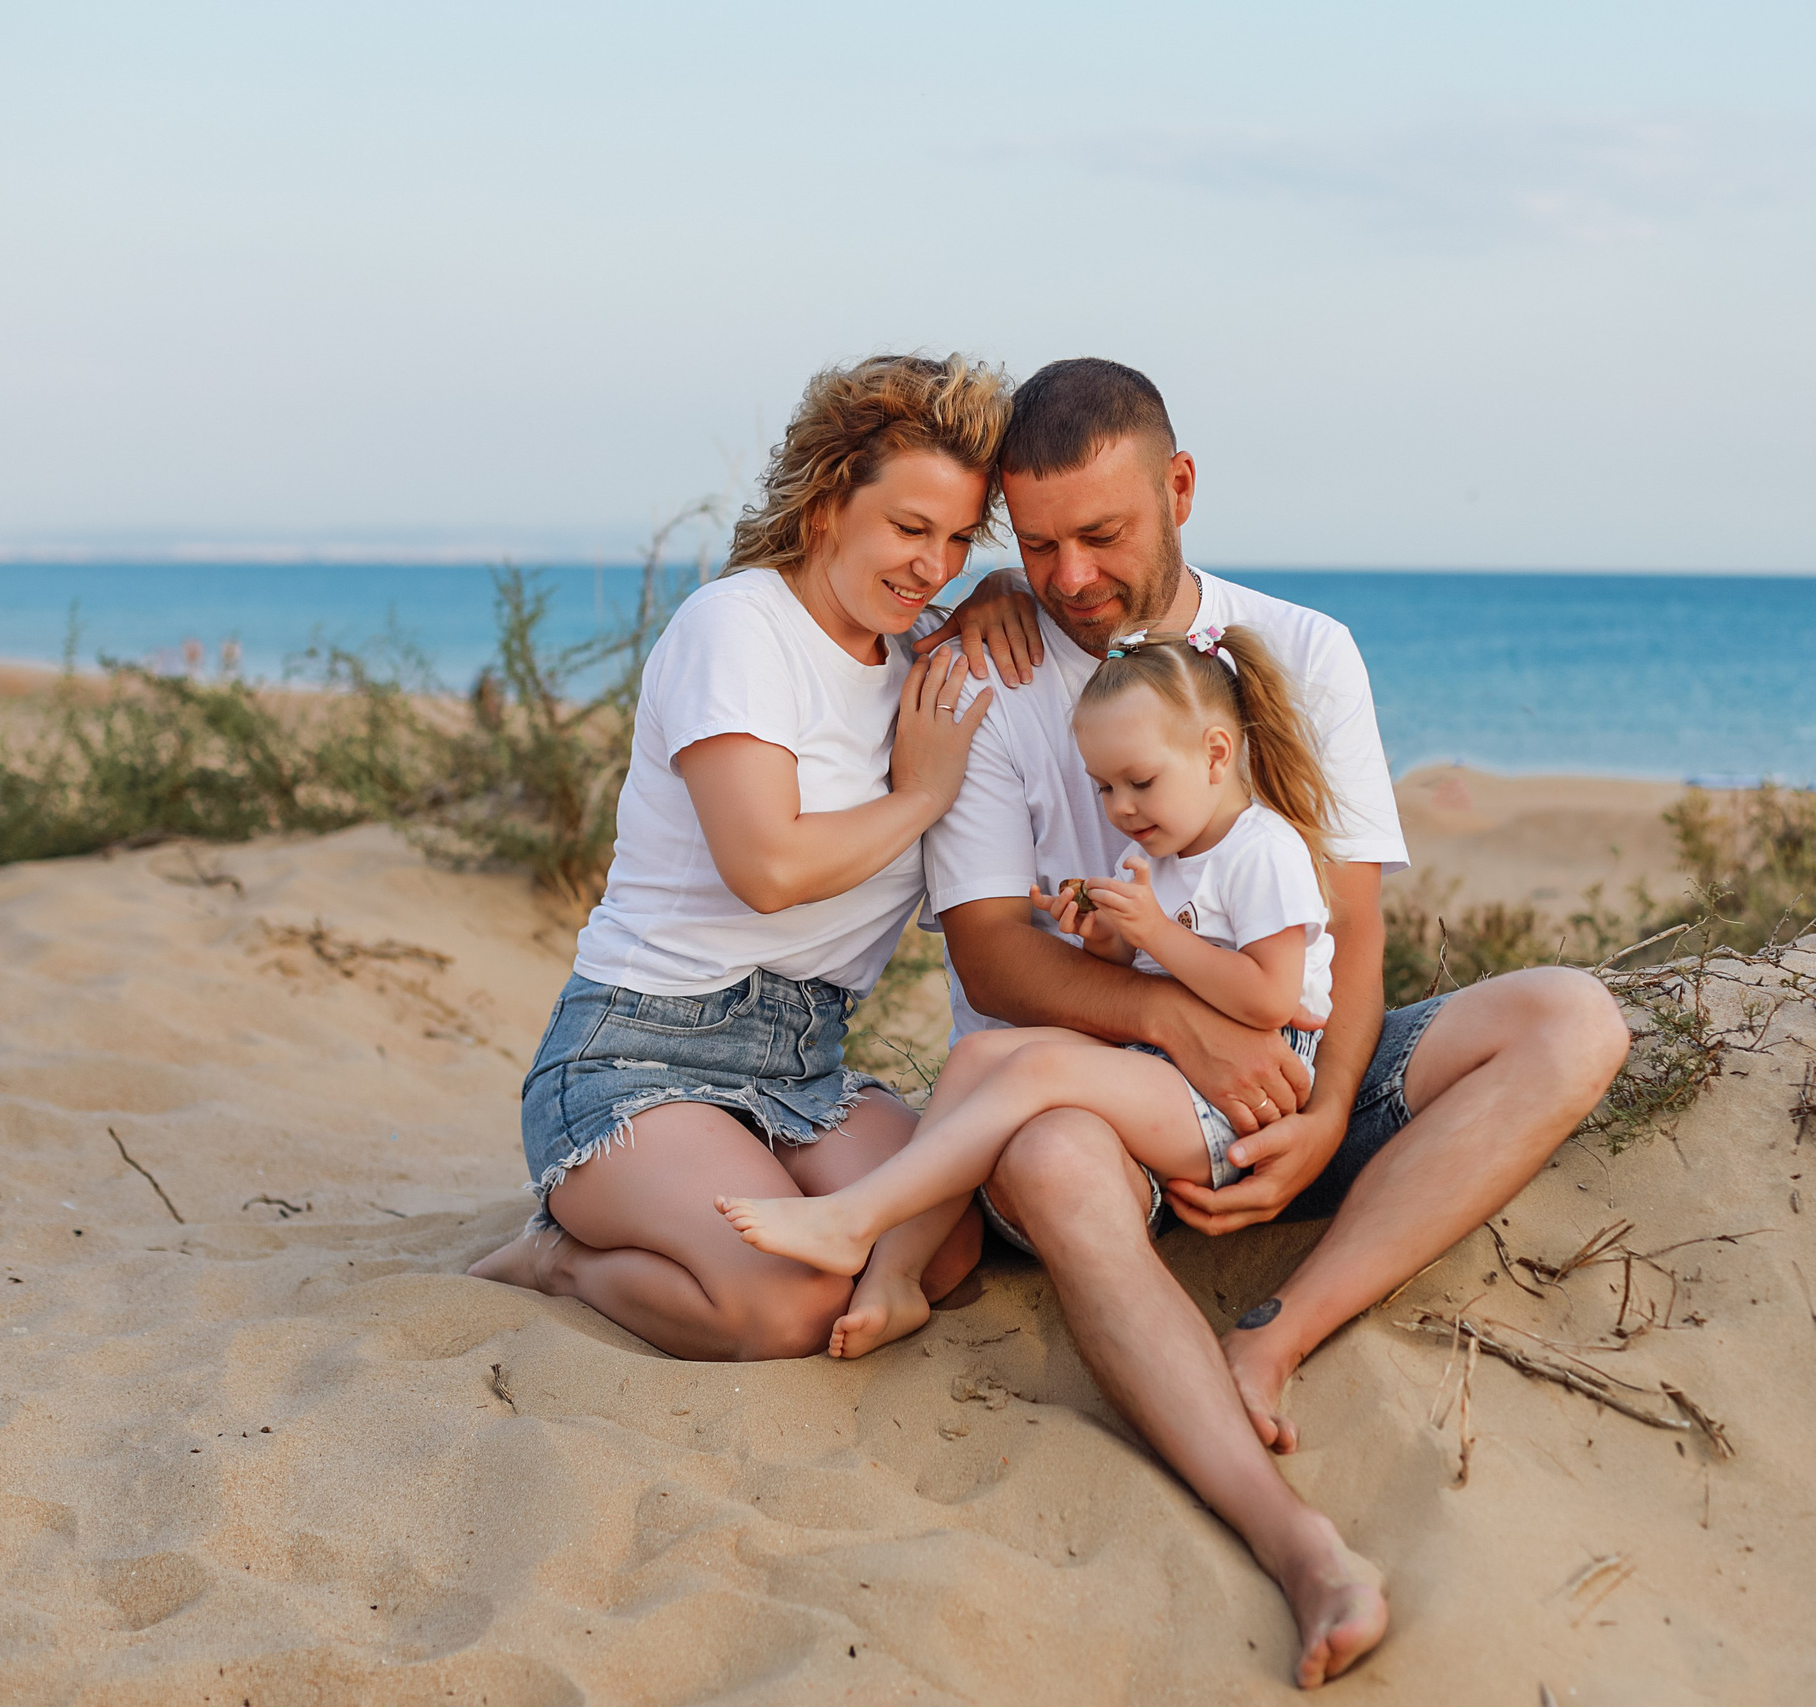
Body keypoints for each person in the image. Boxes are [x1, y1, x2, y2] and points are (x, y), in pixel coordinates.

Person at [923, 358, 1635, 1688]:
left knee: (1572, 1016)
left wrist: (1322, 1114)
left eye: (1105, 533)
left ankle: (1276, 1334)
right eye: (1037, 542)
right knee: (1052, 1148)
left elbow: (1354, 932)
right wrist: (1165, 1019)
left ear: (1179, 488)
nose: (1070, 575)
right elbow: (990, 953)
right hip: (1084, 1103)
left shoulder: (1301, 649)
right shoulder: (989, 670)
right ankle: (1298, 1542)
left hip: (1285, 1076)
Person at [466, 352, 1012, 1362]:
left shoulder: (918, 655)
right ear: (824, 505)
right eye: (907, 528)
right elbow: (769, 867)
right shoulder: (740, 628)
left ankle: (718, 1199)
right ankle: (561, 1261)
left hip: (804, 1058)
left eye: (959, 540)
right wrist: (920, 796)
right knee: (787, 1306)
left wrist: (1009, 591)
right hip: (638, 1054)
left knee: (941, 1248)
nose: (933, 566)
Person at [714, 626, 1341, 1348]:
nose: (1123, 808)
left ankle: (854, 1218)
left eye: (1140, 781)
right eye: (1104, 787)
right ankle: (897, 1272)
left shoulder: (1263, 850)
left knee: (1037, 1065)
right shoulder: (1163, 853)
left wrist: (1159, 934)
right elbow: (1154, 981)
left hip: (1245, 1097)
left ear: (1216, 753)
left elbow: (1267, 996)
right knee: (981, 1058)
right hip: (1176, 1073)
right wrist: (1108, 939)